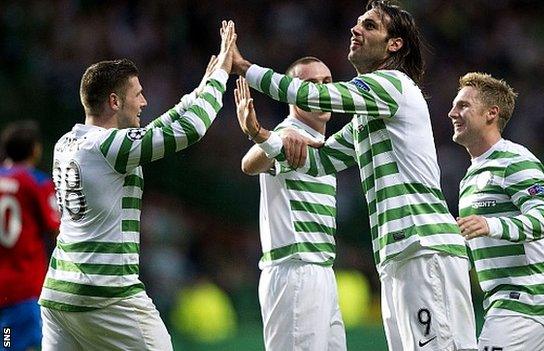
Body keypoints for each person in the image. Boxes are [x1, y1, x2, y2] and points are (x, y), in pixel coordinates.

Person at [232, 1, 477, 350]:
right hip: (398, 255)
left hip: (424, 248)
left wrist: (244, 68)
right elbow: (321, 162)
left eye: (370, 26)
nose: (355, 29)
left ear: (394, 44)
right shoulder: (367, 119)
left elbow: (308, 94)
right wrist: (263, 136)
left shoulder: (392, 85)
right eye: (358, 23)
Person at [37, 21, 236, 350]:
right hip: (106, 294)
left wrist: (197, 91)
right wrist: (221, 77)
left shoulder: (68, 142)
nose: (144, 101)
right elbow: (191, 131)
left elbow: (156, 129)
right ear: (115, 102)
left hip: (59, 293)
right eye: (138, 94)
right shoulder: (110, 148)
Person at [235, 57, 346, 350]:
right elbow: (250, 163)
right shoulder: (290, 134)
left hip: (321, 270)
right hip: (296, 272)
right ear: (290, 93)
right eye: (311, 84)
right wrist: (263, 135)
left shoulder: (319, 140)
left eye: (326, 83)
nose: (321, 90)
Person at [450, 72, 544, 350]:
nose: (452, 112)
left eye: (463, 105)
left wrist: (491, 225)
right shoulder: (471, 175)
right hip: (504, 299)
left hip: (525, 297)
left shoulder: (515, 160)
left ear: (491, 113)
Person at [0, 121, 60, 351]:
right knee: (13, 344)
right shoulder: (36, 183)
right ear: (35, 149)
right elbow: (57, 228)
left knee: (5, 341)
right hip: (21, 286)